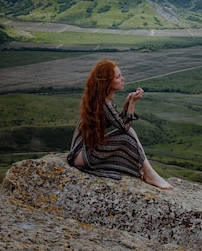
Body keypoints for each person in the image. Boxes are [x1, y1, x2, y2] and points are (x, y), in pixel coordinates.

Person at [67, 59, 173, 189]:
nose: (123, 79)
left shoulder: (104, 100)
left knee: (129, 132)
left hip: (82, 154)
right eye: (118, 77)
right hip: (83, 156)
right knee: (128, 134)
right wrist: (132, 103)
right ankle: (150, 174)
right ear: (107, 82)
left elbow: (119, 121)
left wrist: (127, 103)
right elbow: (124, 127)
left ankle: (149, 173)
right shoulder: (104, 104)